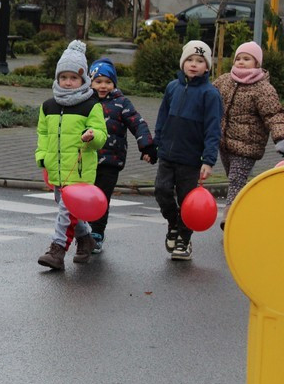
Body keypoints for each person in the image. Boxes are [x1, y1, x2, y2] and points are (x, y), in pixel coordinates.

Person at [36, 41, 108, 271]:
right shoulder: (48, 106)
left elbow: (101, 134)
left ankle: (57, 250)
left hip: (79, 170)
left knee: (66, 211)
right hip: (56, 168)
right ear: (57, 78)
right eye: (63, 77)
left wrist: (92, 135)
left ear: (83, 80)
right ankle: (86, 240)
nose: (68, 82)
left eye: (73, 78)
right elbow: (43, 133)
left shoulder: (90, 105)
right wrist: (42, 157)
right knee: (67, 207)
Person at [153, 40, 222, 261]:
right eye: (190, 60)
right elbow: (162, 118)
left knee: (187, 201)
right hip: (167, 155)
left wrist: (208, 161)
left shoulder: (210, 94)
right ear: (183, 63)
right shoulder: (172, 87)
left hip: (191, 160)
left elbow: (213, 130)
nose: (194, 64)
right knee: (161, 190)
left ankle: (184, 239)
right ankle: (173, 222)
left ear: (207, 67)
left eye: (200, 61)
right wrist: (156, 144)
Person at [87, 58, 156, 253]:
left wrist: (147, 146)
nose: (103, 86)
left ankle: (97, 234)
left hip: (111, 161)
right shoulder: (84, 102)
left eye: (108, 82)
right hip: (87, 159)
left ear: (114, 84)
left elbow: (138, 123)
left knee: (101, 198)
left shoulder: (121, 103)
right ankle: (83, 232)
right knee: (85, 198)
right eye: (98, 81)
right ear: (90, 82)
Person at [212, 41, 284, 229]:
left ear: (257, 64)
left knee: (236, 179)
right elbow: (209, 98)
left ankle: (229, 218)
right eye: (238, 58)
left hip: (247, 146)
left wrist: (281, 138)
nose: (241, 62)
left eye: (247, 59)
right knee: (236, 180)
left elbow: (274, 115)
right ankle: (247, 210)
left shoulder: (263, 89)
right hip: (224, 144)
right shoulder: (225, 80)